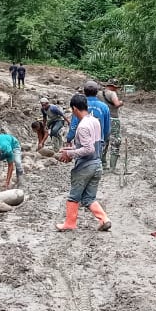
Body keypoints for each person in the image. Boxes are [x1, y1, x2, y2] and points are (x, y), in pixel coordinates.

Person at [55, 94, 111, 232]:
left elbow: (88, 149)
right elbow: (92, 145)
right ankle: (104, 220)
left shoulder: (82, 126)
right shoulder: (95, 121)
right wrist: (71, 148)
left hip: (86, 167)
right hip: (97, 164)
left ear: (74, 109)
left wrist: (69, 153)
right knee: (89, 198)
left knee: (74, 196)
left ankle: (69, 223)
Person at [68, 80, 111, 160]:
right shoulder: (104, 107)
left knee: (82, 164)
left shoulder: (79, 104)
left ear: (84, 91)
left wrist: (69, 138)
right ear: (97, 92)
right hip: (98, 143)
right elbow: (107, 128)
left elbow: (73, 125)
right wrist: (103, 140)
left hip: (82, 143)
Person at [102, 79, 124, 173]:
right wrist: (121, 102)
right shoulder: (112, 93)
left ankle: (103, 165)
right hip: (113, 119)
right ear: (113, 86)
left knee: (103, 142)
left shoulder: (99, 93)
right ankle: (112, 168)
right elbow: (116, 104)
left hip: (103, 119)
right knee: (115, 142)